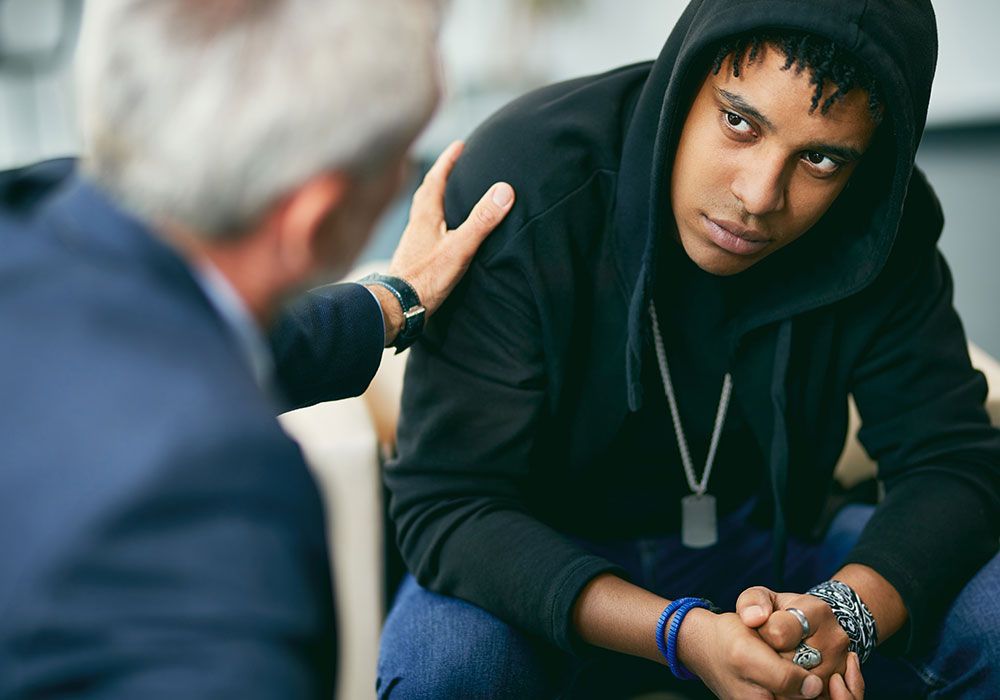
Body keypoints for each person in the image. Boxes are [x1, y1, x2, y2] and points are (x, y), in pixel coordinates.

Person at [377, 0, 1000, 698]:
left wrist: (841, 615)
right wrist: (680, 633)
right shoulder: (528, 179)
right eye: (739, 123)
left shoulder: (879, 220)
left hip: (769, 559)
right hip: (538, 561)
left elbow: (952, 462)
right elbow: (450, 503)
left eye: (820, 159)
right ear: (687, 78)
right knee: (451, 670)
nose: (758, 196)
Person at [0, 1, 514, 697]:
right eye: (398, 165)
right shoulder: (212, 496)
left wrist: (392, 301)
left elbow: (170, 325)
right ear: (315, 219)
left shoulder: (32, 216)